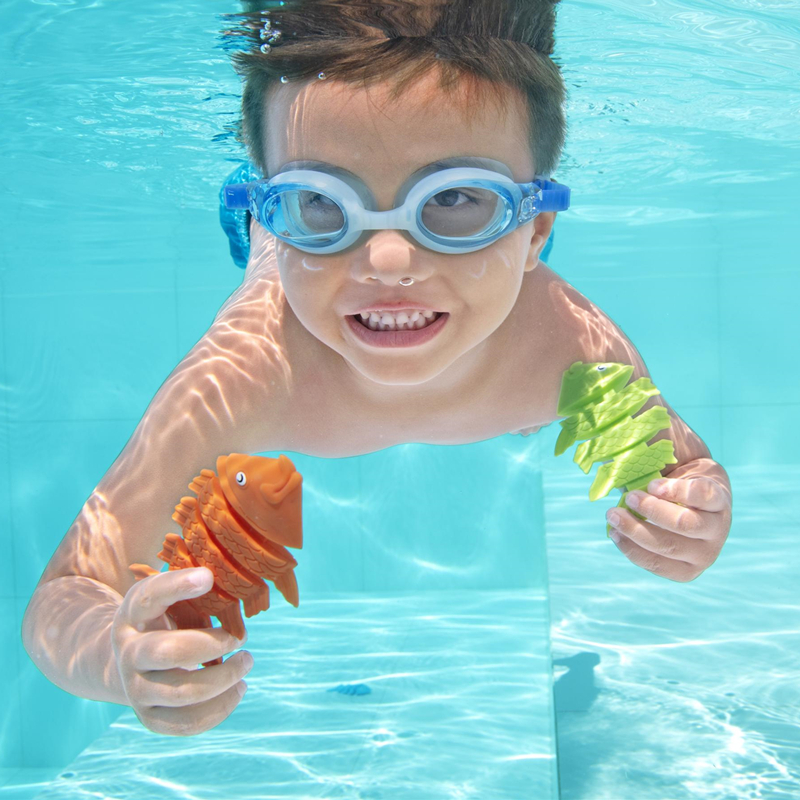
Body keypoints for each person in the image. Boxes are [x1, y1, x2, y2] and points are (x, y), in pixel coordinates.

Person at [21, 0, 732, 738]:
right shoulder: (246, 369)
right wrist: (114, 655)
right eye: (317, 203)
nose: (388, 263)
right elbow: (70, 591)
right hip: (282, 266)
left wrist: (693, 515)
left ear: (537, 233)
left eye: (455, 200)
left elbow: (683, 471)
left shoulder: (567, 347)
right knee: (280, 251)